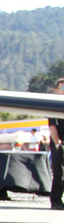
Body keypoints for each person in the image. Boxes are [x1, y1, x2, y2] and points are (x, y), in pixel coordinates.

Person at [50, 78, 64, 210]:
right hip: (59, 144)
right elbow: (52, 126)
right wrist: (58, 144)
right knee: (59, 173)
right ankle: (56, 201)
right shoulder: (53, 105)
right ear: (57, 90)